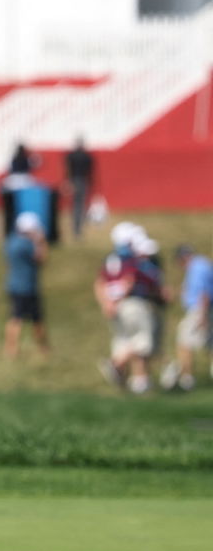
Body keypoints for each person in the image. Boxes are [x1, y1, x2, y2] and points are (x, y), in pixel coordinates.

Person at [95, 223, 159, 394]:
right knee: (142, 341)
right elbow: (128, 281)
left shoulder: (110, 259)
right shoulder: (131, 259)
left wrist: (106, 303)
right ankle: (117, 364)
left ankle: (136, 381)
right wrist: (116, 301)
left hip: (116, 306)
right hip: (132, 303)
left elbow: (100, 283)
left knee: (123, 341)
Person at [161, 243, 212, 391]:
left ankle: (186, 379)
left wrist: (202, 315)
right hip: (205, 309)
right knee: (209, 343)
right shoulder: (202, 265)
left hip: (200, 309)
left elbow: (204, 293)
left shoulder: (198, 267)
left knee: (184, 341)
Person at [3, 212, 50, 360]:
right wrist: (41, 242)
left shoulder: (11, 241)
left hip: (13, 285)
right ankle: (43, 348)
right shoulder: (27, 245)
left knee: (15, 317)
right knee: (34, 319)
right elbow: (41, 258)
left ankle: (11, 348)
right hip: (27, 287)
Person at [65, 137, 95, 240]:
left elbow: (68, 170)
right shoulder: (86, 156)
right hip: (83, 181)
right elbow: (90, 171)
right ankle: (78, 229)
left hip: (74, 181)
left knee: (75, 205)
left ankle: (76, 228)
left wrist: (68, 182)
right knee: (80, 205)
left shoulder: (71, 156)